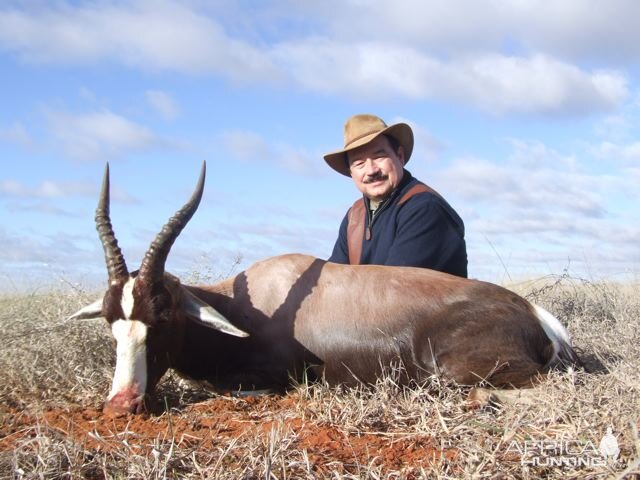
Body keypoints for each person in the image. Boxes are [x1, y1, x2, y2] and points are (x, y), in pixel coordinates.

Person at [325, 114, 468, 277]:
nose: (371, 170)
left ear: (399, 156)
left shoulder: (425, 208)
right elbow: (334, 281)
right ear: (351, 173)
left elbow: (394, 290)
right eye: (359, 163)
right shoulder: (354, 216)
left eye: (379, 156)